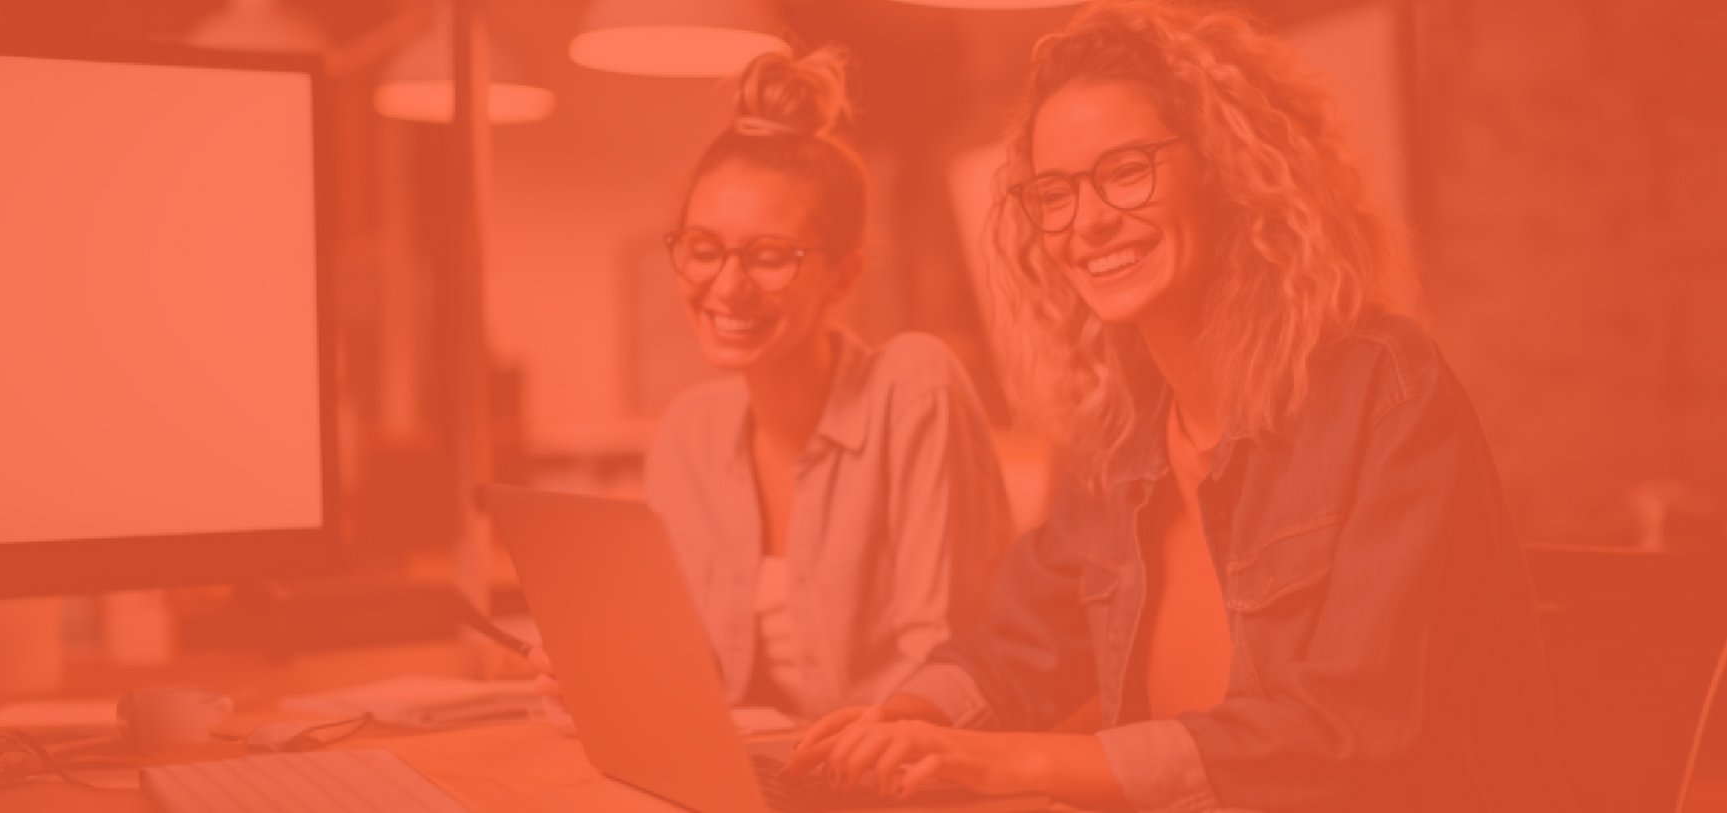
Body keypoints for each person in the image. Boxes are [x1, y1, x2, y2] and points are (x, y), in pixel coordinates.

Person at [785, 2, 1571, 811]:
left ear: (1229, 165)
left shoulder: (1386, 388)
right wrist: (898, 720)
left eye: (1126, 170)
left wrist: (1005, 763)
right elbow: (1020, 644)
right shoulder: (1116, 430)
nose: (1085, 221)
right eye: (1052, 192)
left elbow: (1351, 728)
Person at [539, 47, 1014, 722]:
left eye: (768, 257)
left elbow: (947, 670)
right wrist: (608, 673)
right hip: (757, 771)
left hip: (905, 779)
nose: (726, 286)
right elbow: (695, 673)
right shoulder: (688, 433)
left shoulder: (913, 387)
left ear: (843, 277)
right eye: (703, 247)